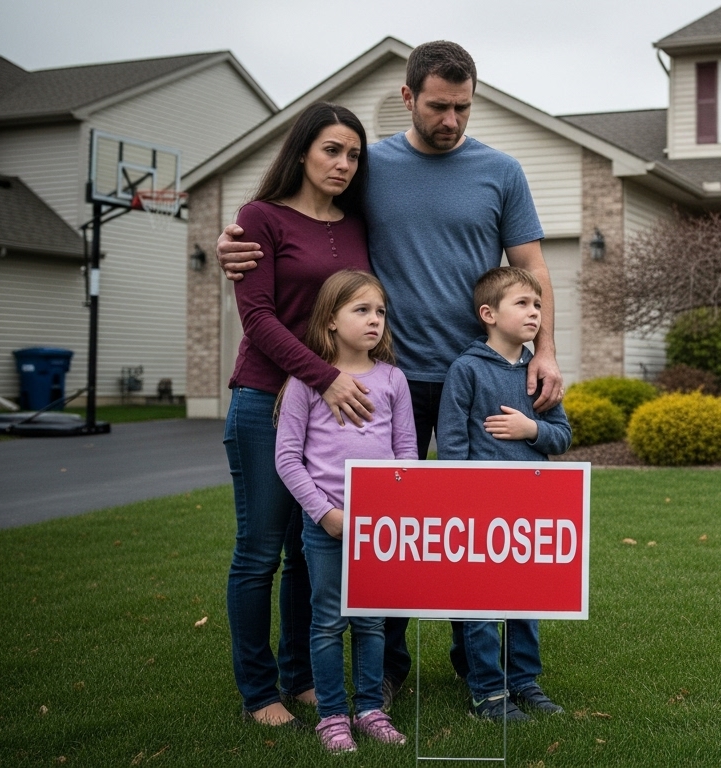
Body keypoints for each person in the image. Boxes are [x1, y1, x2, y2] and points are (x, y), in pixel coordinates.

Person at [218, 41, 565, 698]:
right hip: (383, 383)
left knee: (475, 528)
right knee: (392, 529)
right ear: (408, 97)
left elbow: (534, 266)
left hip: (476, 380)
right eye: (438, 106)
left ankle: (483, 669)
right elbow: (296, 218)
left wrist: (544, 349)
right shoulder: (367, 165)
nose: (451, 120)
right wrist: (235, 242)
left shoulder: (502, 169)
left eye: (463, 107)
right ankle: (387, 669)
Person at [223, 102, 376, 727]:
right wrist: (326, 377)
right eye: (331, 151)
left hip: (326, 411)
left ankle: (301, 675)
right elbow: (257, 319)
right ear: (302, 152)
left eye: (353, 154)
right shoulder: (259, 218)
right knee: (259, 551)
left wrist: (340, 383)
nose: (343, 164)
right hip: (265, 400)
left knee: (306, 547)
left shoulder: (359, 223)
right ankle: (259, 691)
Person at [275, 270, 415, 752]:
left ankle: (371, 707)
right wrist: (323, 514)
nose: (374, 320)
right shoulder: (305, 382)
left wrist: (396, 511)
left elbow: (406, 453)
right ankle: (332, 716)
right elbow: (287, 457)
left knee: (373, 622)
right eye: (361, 310)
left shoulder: (393, 379)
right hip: (327, 527)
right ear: (331, 320)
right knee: (329, 621)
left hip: (380, 528)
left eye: (379, 311)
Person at [436, 266, 571, 721]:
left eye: (537, 305)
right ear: (489, 313)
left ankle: (522, 680)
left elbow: (562, 437)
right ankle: (487, 691)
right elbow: (452, 443)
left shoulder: (540, 372)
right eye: (523, 304)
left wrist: (531, 428)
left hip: (529, 507)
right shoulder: (466, 369)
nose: (534, 312)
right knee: (479, 600)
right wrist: (460, 499)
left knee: (524, 599)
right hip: (477, 508)